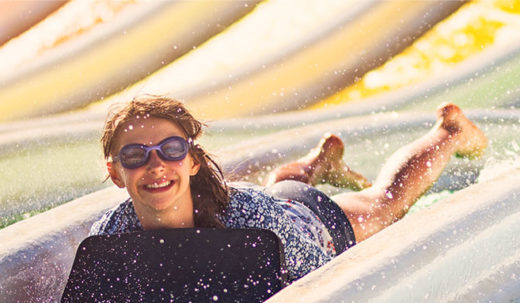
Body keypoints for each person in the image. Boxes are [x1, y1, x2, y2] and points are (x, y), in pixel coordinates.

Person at [90, 95, 488, 283]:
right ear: (115, 173)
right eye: (135, 156)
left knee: (384, 204)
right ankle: (318, 163)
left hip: (308, 223)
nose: (156, 166)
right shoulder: (110, 237)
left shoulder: (249, 217)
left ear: (192, 161)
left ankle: (449, 131)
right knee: (280, 189)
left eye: (172, 150)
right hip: (272, 201)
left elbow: (322, 276)